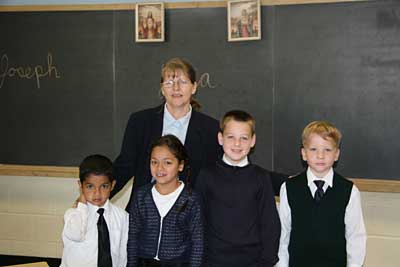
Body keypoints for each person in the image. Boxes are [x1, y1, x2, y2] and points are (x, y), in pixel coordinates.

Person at [112, 58, 221, 211]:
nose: (176, 88)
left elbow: (216, 177)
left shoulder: (211, 128)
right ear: (162, 89)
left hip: (190, 215)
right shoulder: (140, 122)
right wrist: (94, 196)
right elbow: (124, 167)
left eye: (182, 82)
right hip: (145, 212)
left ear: (194, 87)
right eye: (169, 83)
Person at [275, 121, 366, 267]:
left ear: (336, 154)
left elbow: (355, 238)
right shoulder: (289, 188)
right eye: (313, 149)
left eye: (327, 150)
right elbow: (282, 236)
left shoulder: (349, 191)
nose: (320, 155)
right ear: (304, 154)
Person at [196, 110, 281, 267]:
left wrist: (266, 262)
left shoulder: (261, 178)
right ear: (220, 138)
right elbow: (198, 222)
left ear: (253, 141)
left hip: (252, 262)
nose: (237, 144)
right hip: (213, 261)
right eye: (231, 137)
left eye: (244, 138)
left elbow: (270, 224)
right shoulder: (206, 176)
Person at [127, 135, 203, 267]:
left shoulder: (191, 199)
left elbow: (197, 242)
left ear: (180, 165)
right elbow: (133, 237)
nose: (159, 168)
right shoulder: (142, 196)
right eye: (154, 162)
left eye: (167, 162)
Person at [60, 154, 129, 267]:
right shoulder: (72, 214)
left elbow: (123, 255)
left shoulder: (122, 217)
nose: (97, 193)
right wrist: (81, 206)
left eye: (104, 186)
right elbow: (76, 235)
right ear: (80, 186)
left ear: (113, 185)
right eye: (90, 187)